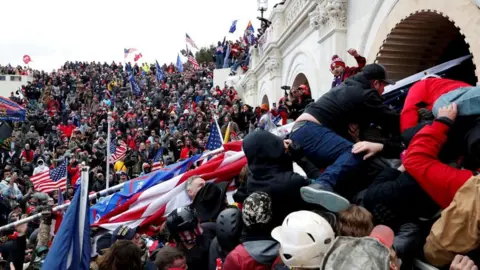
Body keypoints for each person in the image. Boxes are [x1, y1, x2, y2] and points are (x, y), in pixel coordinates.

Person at [290, 64, 399, 212]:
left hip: (302, 131)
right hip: (309, 130)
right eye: (383, 85)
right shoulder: (367, 94)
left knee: (346, 163)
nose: (383, 90)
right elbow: (391, 120)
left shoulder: (348, 85)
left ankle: (326, 194)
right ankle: (323, 184)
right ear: (375, 83)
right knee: (355, 152)